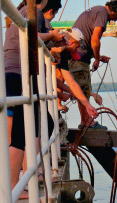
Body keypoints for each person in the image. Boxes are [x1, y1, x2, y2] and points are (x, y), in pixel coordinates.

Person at [4, 0, 64, 198]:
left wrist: (52, 43)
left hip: (13, 73)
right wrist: (54, 36)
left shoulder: (23, 11)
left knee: (38, 124)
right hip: (18, 74)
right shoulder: (34, 12)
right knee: (23, 133)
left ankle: (29, 175)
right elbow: (33, 37)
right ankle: (14, 186)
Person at [69, 0, 117, 129]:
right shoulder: (103, 14)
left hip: (77, 54)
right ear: (113, 11)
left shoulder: (96, 10)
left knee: (83, 88)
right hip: (79, 57)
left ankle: (85, 120)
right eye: (116, 18)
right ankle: (86, 121)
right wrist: (96, 59)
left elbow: (88, 40)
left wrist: (99, 57)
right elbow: (95, 41)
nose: (113, 21)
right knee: (83, 89)